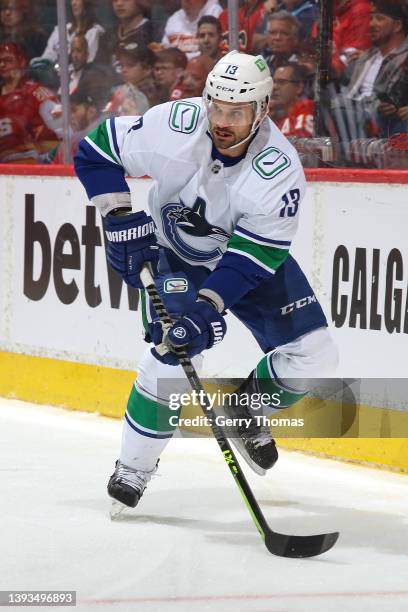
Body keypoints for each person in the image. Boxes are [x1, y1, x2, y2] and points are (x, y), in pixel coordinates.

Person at [74, 50, 338, 509]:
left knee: (315, 355)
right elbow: (95, 149)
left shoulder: (278, 170)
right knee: (171, 350)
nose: (221, 120)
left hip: (244, 256)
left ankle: (246, 409)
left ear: (261, 110)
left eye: (236, 112)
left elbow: (253, 258)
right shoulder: (173, 124)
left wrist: (206, 309)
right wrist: (118, 217)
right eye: (216, 106)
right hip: (175, 254)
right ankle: (133, 468)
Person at [0, 42, 63, 162]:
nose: (2, 64)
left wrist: (47, 159)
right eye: (0, 61)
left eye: (8, 60)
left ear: (22, 62)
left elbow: (63, 131)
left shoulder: (37, 93)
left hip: (32, 168)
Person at [95, 0, 152, 74]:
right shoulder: (107, 36)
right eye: (115, 0)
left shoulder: (153, 32)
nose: (119, 3)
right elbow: (98, 69)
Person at [41, 0, 104, 65]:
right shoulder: (59, 30)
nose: (73, 3)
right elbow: (46, 58)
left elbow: (88, 62)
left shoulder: (95, 32)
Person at [269, 62, 314, 137]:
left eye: (281, 82)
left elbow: (304, 145)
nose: (274, 87)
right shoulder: (272, 116)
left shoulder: (308, 108)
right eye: (273, 82)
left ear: (299, 88)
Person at [106, 44, 153, 115]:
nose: (124, 70)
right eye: (121, 65)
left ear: (147, 69)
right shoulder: (118, 90)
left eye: (130, 65)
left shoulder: (153, 95)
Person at [263, 10, 300, 75]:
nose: (277, 38)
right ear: (267, 36)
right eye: (273, 33)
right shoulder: (262, 60)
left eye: (284, 33)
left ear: (295, 38)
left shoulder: (300, 66)